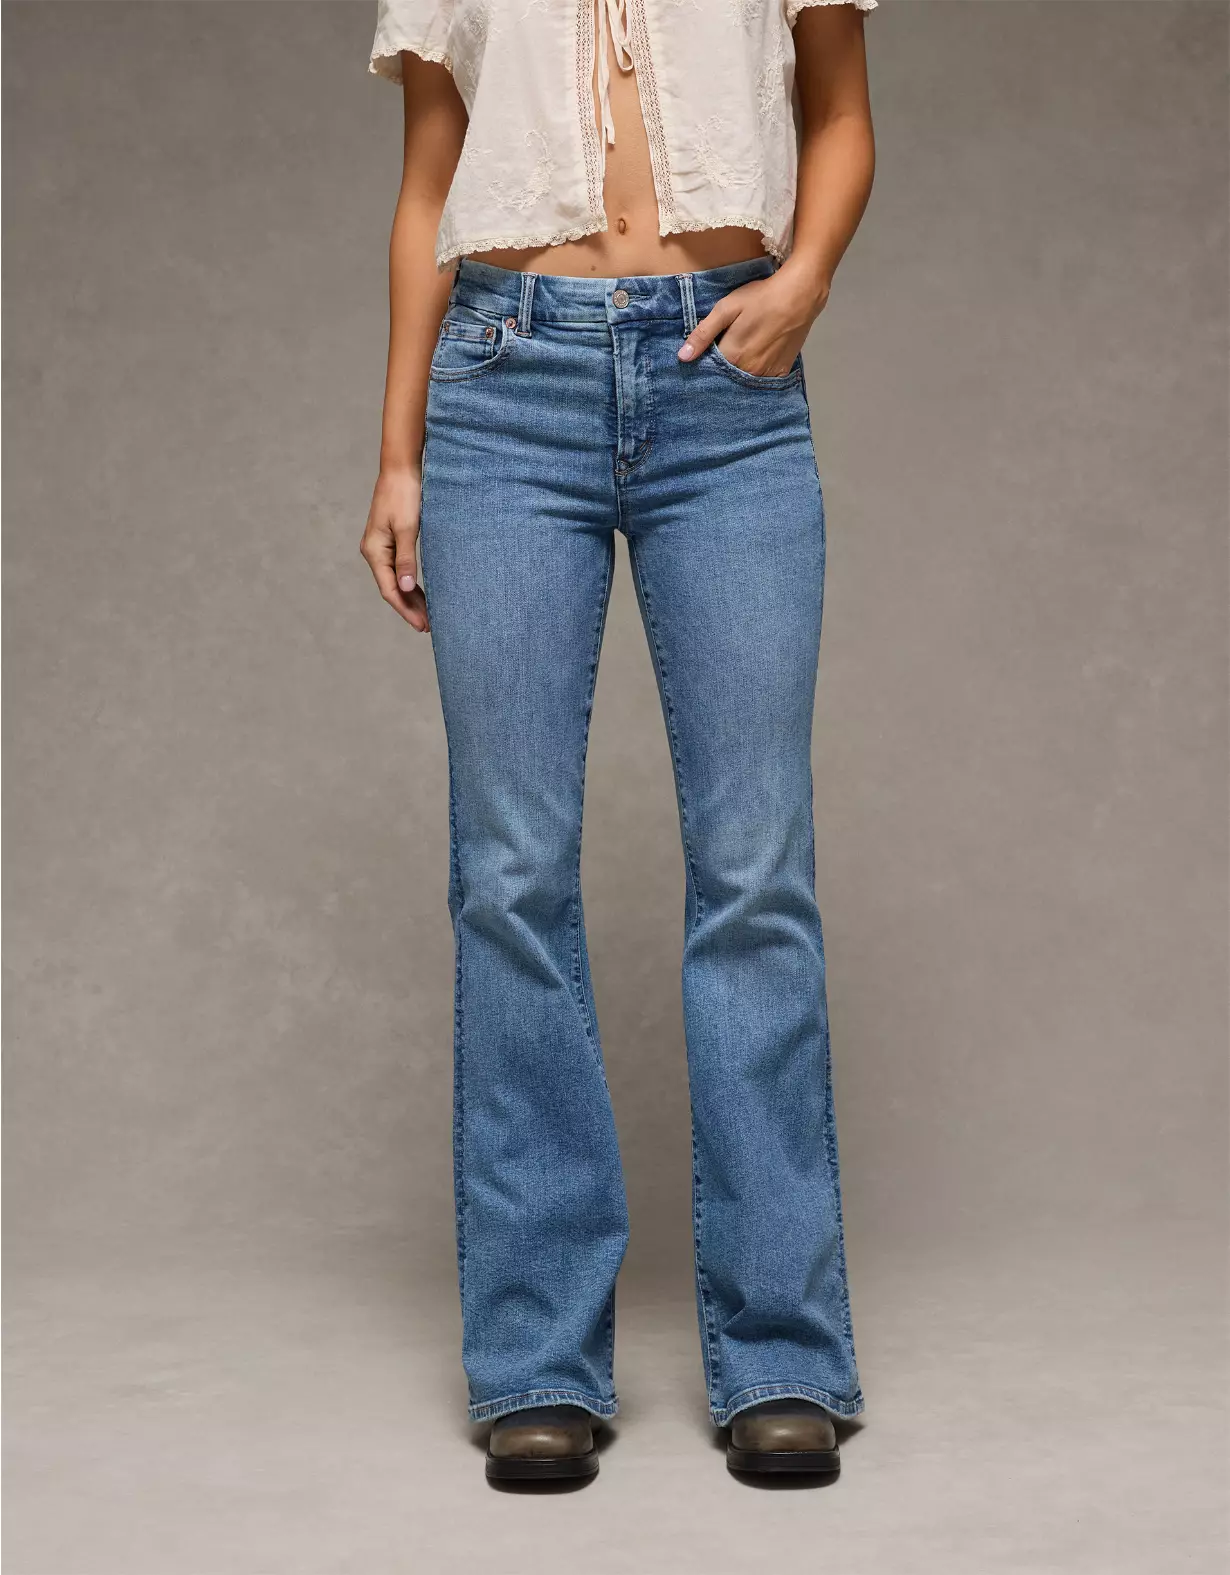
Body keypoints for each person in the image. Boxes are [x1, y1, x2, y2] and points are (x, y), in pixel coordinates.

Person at [361, 0, 877, 1485]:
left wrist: (807, 278)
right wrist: (398, 453)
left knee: (755, 871)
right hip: (505, 387)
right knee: (511, 874)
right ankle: (537, 1357)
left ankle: (781, 1350)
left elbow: (840, 112)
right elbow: (428, 181)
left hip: (731, 392)